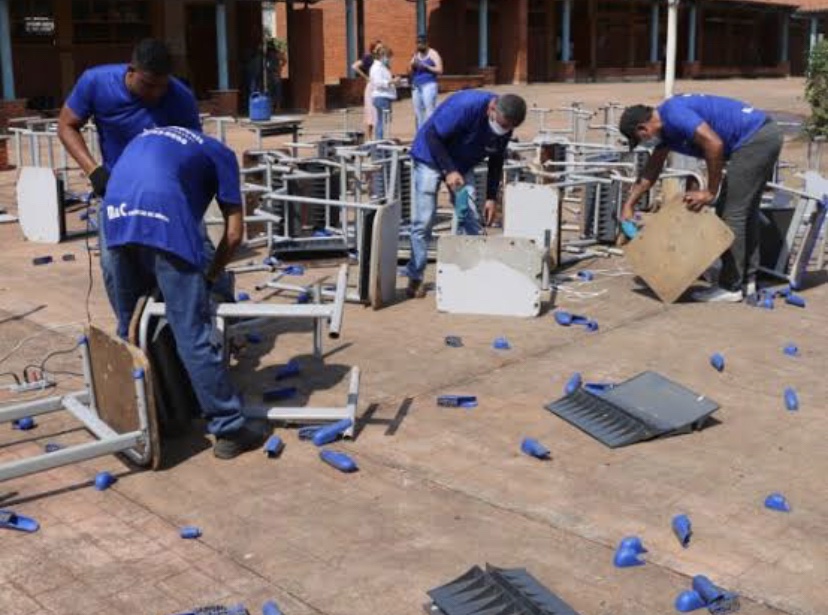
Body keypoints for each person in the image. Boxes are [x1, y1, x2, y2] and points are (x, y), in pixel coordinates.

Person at [102, 126, 269, 459]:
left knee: (132, 324)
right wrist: (210, 276)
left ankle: (145, 418)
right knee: (192, 332)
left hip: (115, 215)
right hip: (165, 217)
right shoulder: (221, 154)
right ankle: (230, 428)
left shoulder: (145, 136)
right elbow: (234, 234)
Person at [58, 39, 202, 313]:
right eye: (148, 85)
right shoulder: (96, 82)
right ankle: (129, 331)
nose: (156, 93)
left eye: (162, 86)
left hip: (166, 192)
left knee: (195, 255)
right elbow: (66, 125)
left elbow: (194, 147)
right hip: (118, 190)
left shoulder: (180, 97)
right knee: (114, 264)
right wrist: (94, 171)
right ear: (131, 70)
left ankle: (211, 320)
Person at [618, 94, 782, 303]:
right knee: (744, 211)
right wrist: (628, 205)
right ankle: (746, 281)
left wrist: (709, 192)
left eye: (640, 138)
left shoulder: (674, 115)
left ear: (643, 129)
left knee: (732, 214)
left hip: (755, 140)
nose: (646, 142)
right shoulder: (666, 131)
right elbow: (652, 170)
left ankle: (730, 286)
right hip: (762, 135)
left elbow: (714, 144)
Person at [405, 90, 527, 298]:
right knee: (424, 220)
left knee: (469, 215)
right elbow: (432, 135)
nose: (504, 130)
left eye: (508, 128)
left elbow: (496, 159)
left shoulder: (506, 123)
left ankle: (472, 273)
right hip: (430, 156)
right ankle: (415, 276)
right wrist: (448, 170)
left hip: (462, 162)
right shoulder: (465, 106)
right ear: (492, 108)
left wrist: (491, 197)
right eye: (502, 124)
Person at [409, 35, 443, 130]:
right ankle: (420, 135)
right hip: (416, 85)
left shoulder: (433, 54)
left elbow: (440, 70)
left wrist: (426, 66)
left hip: (429, 85)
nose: (420, 45)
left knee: (429, 111)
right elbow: (409, 70)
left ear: (427, 44)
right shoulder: (416, 55)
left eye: (422, 43)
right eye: (418, 43)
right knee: (418, 112)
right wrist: (412, 66)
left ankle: (431, 134)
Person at [351, 40, 383, 140]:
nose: (381, 49)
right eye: (378, 48)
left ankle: (379, 137)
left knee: (379, 112)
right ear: (373, 49)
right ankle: (369, 137)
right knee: (370, 112)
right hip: (371, 87)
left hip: (380, 86)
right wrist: (366, 77)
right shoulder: (368, 57)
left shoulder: (382, 58)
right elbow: (354, 66)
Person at [369, 47, 400, 140]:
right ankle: (381, 142)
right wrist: (392, 82)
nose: (389, 59)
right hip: (382, 96)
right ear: (382, 56)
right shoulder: (377, 68)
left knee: (381, 121)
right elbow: (378, 82)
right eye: (388, 57)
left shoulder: (381, 67)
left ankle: (381, 141)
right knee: (383, 121)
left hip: (383, 96)